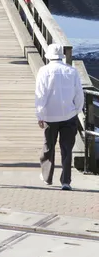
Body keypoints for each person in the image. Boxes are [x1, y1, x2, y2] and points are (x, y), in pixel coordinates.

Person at [35, 43, 84, 191]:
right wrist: (77, 109)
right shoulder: (72, 71)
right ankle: (66, 181)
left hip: (49, 115)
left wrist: (40, 114)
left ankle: (47, 176)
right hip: (69, 114)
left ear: (49, 56)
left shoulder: (43, 71)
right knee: (67, 148)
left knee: (48, 146)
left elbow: (40, 94)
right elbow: (79, 94)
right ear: (62, 56)